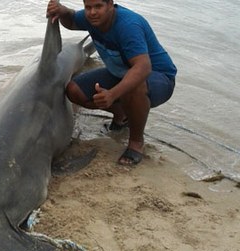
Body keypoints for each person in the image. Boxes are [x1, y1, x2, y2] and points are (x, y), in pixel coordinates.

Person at [47, 0, 177, 166]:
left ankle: (136, 143)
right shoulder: (90, 18)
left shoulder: (128, 25)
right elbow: (72, 21)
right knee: (74, 90)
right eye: (88, 7)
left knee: (132, 86)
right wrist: (63, 11)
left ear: (110, 4)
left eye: (98, 6)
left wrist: (113, 93)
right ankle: (122, 115)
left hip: (158, 76)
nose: (92, 12)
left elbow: (143, 67)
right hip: (120, 73)